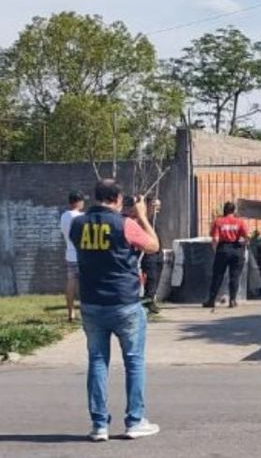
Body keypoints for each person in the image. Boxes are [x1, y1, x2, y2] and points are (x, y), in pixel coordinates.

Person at [70, 179, 161, 442]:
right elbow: (153, 245)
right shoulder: (126, 224)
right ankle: (135, 420)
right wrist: (142, 216)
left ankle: (99, 425)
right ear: (119, 199)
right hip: (124, 302)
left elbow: (102, 235)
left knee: (97, 361)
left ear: (95, 197)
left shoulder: (77, 224)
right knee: (134, 362)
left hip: (91, 301)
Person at [203, 202, 249, 309]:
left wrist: (216, 250)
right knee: (235, 276)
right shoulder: (239, 222)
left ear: (224, 210)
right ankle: (232, 300)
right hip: (237, 249)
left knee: (217, 276)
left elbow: (215, 238)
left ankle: (211, 300)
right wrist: (243, 246)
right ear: (234, 211)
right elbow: (247, 236)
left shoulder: (218, 221)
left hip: (223, 249)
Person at [60, 190, 86, 323]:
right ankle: (85, 311)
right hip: (81, 254)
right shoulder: (80, 217)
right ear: (79, 201)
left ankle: (71, 312)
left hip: (69, 253)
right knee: (85, 284)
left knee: (71, 283)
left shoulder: (64, 216)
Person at [139, 197, 164, 314]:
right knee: (151, 278)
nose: (157, 208)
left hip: (158, 253)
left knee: (157, 278)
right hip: (149, 253)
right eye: (154, 205)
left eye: (158, 206)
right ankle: (148, 301)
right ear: (147, 205)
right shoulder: (144, 220)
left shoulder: (155, 219)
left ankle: (151, 299)